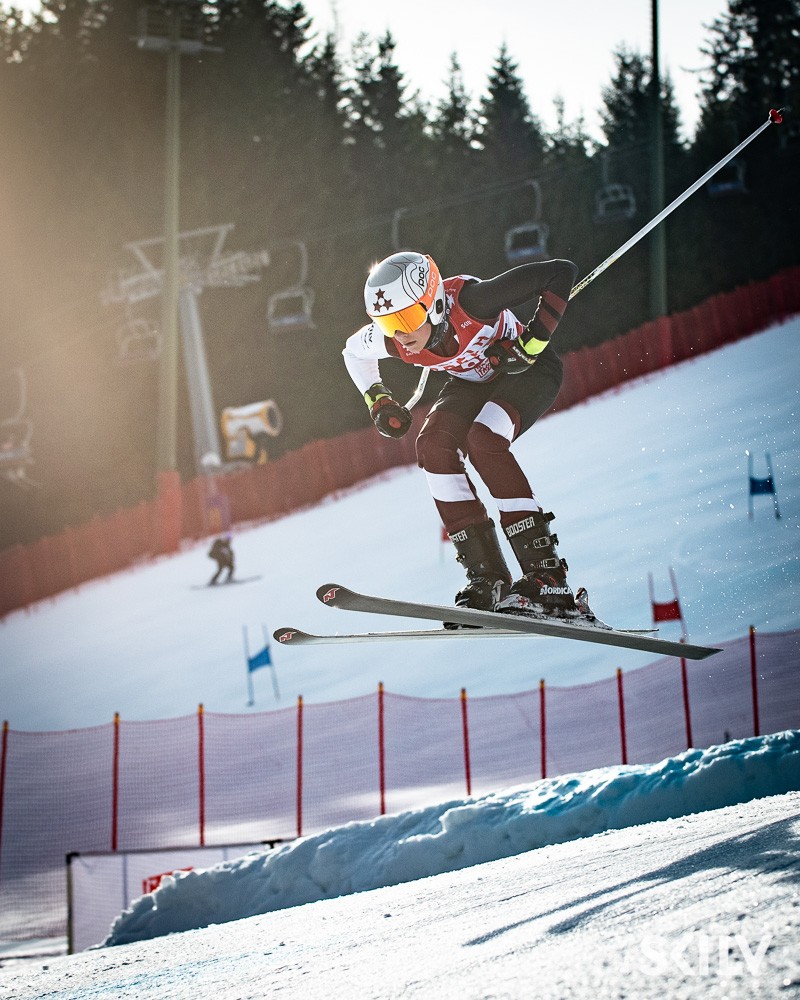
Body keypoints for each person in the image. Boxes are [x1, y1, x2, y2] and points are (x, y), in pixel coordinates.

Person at [342, 250, 602, 625]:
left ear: (434, 304)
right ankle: (488, 578)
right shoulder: (397, 342)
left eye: (407, 318)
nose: (400, 335)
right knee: (432, 447)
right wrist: (378, 400)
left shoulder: (474, 302)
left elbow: (561, 272)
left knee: (484, 439)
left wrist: (531, 344)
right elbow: (353, 352)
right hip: (471, 382)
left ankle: (547, 579)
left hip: (529, 373)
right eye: (387, 324)